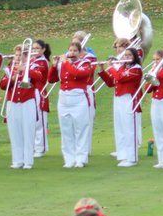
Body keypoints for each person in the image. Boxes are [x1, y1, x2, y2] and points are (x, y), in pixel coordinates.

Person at [0, 44, 44, 170]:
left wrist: (25, 70)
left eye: (20, 55)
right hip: (12, 103)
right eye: (16, 55)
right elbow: (2, 85)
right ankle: (17, 160)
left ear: (26, 56)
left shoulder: (33, 67)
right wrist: (13, 77)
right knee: (14, 132)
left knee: (28, 132)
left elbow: (39, 77)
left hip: (27, 102)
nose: (18, 58)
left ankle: (28, 161)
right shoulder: (9, 69)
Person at [99, 45, 144, 168]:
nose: (126, 57)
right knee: (120, 128)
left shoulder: (136, 69)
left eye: (129, 55)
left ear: (135, 57)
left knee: (129, 129)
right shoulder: (121, 68)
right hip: (118, 98)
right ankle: (123, 155)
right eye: (125, 55)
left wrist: (111, 67)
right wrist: (102, 70)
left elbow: (120, 77)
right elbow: (111, 83)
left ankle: (132, 158)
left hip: (129, 99)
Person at [57, 41, 96, 169]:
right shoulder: (63, 64)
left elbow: (77, 74)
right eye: (70, 50)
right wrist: (54, 65)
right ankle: (69, 159)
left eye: (75, 51)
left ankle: (81, 158)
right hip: (64, 98)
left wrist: (65, 62)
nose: (72, 53)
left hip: (79, 98)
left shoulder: (85, 63)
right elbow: (52, 79)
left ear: (80, 53)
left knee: (81, 129)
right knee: (66, 130)